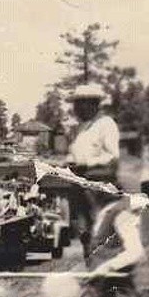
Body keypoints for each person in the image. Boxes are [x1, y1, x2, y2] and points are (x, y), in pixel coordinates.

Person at [64, 82, 121, 259]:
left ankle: (106, 273)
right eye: (75, 104)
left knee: (100, 228)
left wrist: (87, 163)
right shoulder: (80, 129)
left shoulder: (106, 124)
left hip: (98, 184)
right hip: (79, 183)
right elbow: (75, 154)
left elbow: (113, 155)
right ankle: (92, 268)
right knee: (83, 230)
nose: (75, 108)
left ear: (93, 104)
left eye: (79, 103)